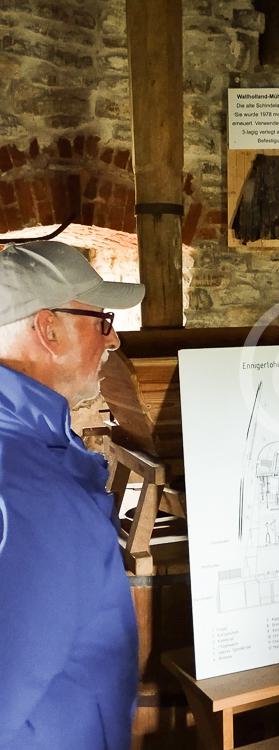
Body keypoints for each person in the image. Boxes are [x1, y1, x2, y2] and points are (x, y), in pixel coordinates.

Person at [0, 240, 145, 750]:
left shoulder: (28, 449)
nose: (114, 340)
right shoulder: (27, 491)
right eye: (102, 320)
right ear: (48, 328)